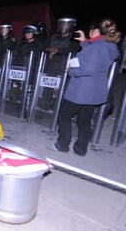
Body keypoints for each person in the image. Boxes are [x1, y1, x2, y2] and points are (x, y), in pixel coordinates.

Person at [49, 17, 121, 156]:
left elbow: (88, 68)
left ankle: (62, 144)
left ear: (96, 31)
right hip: (95, 91)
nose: (89, 32)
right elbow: (96, 54)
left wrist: (71, 70)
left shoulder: (96, 47)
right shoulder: (109, 46)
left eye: (91, 30)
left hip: (81, 90)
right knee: (85, 120)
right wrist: (84, 41)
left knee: (64, 115)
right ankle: (81, 149)